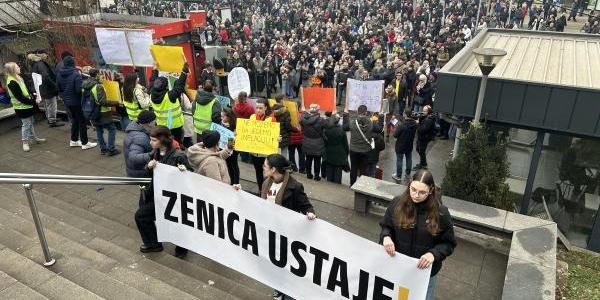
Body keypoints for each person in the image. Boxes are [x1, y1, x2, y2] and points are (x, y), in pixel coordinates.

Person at [379, 169, 456, 300]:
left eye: (422, 192)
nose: (416, 195)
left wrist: (433, 254)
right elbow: (387, 226)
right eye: (413, 189)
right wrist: (386, 237)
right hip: (399, 267)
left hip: (425, 273)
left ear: (431, 190)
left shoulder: (441, 213)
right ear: (409, 185)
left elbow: (449, 243)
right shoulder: (397, 203)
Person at [261, 154, 316, 300]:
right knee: (274, 262)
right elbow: (261, 202)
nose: (263, 167)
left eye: (265, 166)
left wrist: (310, 213)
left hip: (287, 234)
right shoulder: (267, 182)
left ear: (273, 169)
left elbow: (306, 205)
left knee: (286, 263)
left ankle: (289, 291)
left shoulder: (295, 186)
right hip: (270, 231)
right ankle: (278, 289)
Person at [138, 126, 192, 258]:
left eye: (154, 140)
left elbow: (190, 176)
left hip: (173, 198)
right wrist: (149, 167)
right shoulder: (155, 152)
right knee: (141, 216)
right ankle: (153, 243)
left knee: (176, 223)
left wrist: (184, 171)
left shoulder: (179, 156)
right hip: (157, 194)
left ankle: (181, 249)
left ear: (163, 141)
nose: (151, 143)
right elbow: (148, 171)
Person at [56, 56, 97, 150]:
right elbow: (79, 90)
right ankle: (85, 142)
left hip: (67, 102)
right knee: (82, 121)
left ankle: (74, 140)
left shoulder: (59, 74)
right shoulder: (75, 74)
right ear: (72, 64)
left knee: (74, 120)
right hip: (76, 102)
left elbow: (58, 88)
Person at [4, 62, 45, 152]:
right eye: (17, 67)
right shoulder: (11, 82)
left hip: (27, 105)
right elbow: (20, 97)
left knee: (31, 122)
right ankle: (25, 142)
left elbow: (25, 89)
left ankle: (34, 138)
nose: (19, 68)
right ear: (12, 70)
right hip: (21, 107)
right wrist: (34, 101)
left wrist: (32, 94)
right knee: (26, 124)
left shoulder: (18, 77)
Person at [81, 66, 121, 156]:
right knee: (112, 129)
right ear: (97, 75)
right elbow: (103, 102)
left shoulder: (84, 85)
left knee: (99, 130)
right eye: (100, 75)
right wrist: (116, 103)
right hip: (102, 112)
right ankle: (111, 149)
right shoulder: (98, 86)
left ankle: (103, 149)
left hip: (91, 111)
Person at [149, 62, 189, 145]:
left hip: (161, 126)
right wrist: (184, 72)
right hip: (175, 126)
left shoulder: (151, 94)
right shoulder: (169, 96)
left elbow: (152, 82)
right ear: (166, 87)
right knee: (176, 144)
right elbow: (179, 85)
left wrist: (155, 70)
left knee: (165, 144)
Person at [28, 50, 65, 127]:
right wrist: (54, 85)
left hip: (42, 88)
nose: (47, 55)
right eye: (46, 54)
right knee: (52, 104)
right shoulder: (40, 64)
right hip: (47, 88)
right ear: (41, 55)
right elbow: (46, 77)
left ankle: (50, 118)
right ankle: (52, 121)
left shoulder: (35, 64)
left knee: (46, 104)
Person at [343, 105, 374, 185]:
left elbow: (344, 127)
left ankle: (352, 184)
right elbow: (380, 129)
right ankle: (362, 186)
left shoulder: (352, 122)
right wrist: (381, 117)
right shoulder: (371, 123)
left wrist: (345, 115)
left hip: (354, 150)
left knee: (354, 168)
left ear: (357, 112)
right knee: (364, 169)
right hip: (366, 150)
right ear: (366, 112)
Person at [250, 98, 276, 191]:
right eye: (256, 108)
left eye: (260, 108)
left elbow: (274, 135)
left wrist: (277, 138)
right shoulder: (252, 117)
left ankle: (267, 190)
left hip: (265, 152)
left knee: (267, 172)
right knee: (258, 172)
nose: (258, 110)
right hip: (254, 151)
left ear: (265, 108)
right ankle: (260, 189)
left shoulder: (271, 119)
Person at [124, 110, 155, 178]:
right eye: (154, 121)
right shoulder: (140, 137)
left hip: (136, 169)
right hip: (141, 172)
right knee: (146, 187)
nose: (155, 123)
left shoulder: (135, 127)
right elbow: (133, 157)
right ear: (149, 123)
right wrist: (152, 154)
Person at [300, 104, 326, 181]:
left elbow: (301, 121)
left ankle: (308, 174)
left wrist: (304, 111)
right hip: (318, 143)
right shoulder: (321, 120)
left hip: (307, 142)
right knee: (317, 161)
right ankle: (316, 176)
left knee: (308, 159)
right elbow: (328, 126)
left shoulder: (304, 119)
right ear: (318, 111)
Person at [323, 113, 349, 184]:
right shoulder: (342, 130)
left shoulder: (326, 129)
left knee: (329, 170)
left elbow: (324, 141)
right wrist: (346, 154)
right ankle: (337, 187)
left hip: (329, 152)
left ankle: (329, 185)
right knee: (338, 172)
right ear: (338, 121)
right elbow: (345, 144)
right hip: (339, 154)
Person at [393, 109, 417, 182]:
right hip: (409, 145)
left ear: (405, 114)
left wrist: (396, 127)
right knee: (409, 159)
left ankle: (398, 176)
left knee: (399, 160)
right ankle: (408, 174)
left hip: (400, 145)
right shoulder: (414, 124)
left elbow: (395, 135)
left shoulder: (402, 125)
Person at [220, 108, 240, 186]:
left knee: (234, 165)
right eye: (221, 116)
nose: (221, 118)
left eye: (223, 117)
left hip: (233, 150)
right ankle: (230, 181)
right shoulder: (220, 123)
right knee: (228, 165)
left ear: (228, 117)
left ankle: (236, 182)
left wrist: (235, 135)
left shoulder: (234, 125)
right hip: (224, 148)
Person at [232, 91, 254, 163]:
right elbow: (253, 117)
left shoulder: (235, 107)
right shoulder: (250, 107)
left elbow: (233, 117)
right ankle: (250, 159)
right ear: (246, 98)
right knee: (248, 142)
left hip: (239, 126)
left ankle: (244, 158)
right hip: (248, 127)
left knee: (241, 142)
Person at [272, 94, 295, 159]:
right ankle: (282, 166)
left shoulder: (271, 109)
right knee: (284, 153)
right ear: (281, 100)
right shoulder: (285, 111)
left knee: (274, 152)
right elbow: (288, 125)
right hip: (284, 134)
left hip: (274, 133)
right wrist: (295, 129)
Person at [414, 105, 436, 170]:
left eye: (425, 111)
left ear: (428, 111)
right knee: (418, 149)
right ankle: (423, 163)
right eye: (423, 110)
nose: (423, 112)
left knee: (421, 151)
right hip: (422, 137)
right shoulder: (426, 117)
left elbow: (423, 130)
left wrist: (417, 124)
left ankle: (423, 164)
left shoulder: (429, 120)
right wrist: (420, 119)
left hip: (424, 138)